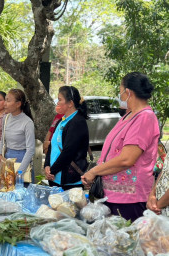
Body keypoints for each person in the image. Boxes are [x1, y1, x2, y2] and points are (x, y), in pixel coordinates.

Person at [82, 72, 160, 222]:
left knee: (124, 241)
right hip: (111, 194)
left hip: (129, 199)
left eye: (120, 91)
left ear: (128, 92)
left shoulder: (145, 117)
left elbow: (126, 159)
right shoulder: (128, 115)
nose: (120, 96)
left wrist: (94, 171)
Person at [44, 86, 89, 190]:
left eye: (60, 100)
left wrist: (52, 170)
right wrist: (47, 166)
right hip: (55, 177)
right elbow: (52, 145)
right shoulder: (61, 121)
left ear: (70, 103)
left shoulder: (77, 122)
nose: (57, 103)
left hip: (69, 180)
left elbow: (69, 152)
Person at [0, 89, 35, 176]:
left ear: (18, 104)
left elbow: (30, 150)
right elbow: (3, 139)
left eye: (8, 100)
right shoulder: (5, 118)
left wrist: (20, 171)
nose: (4, 103)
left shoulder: (27, 122)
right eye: (5, 99)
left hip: (22, 160)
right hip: (7, 158)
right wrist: (0, 155)